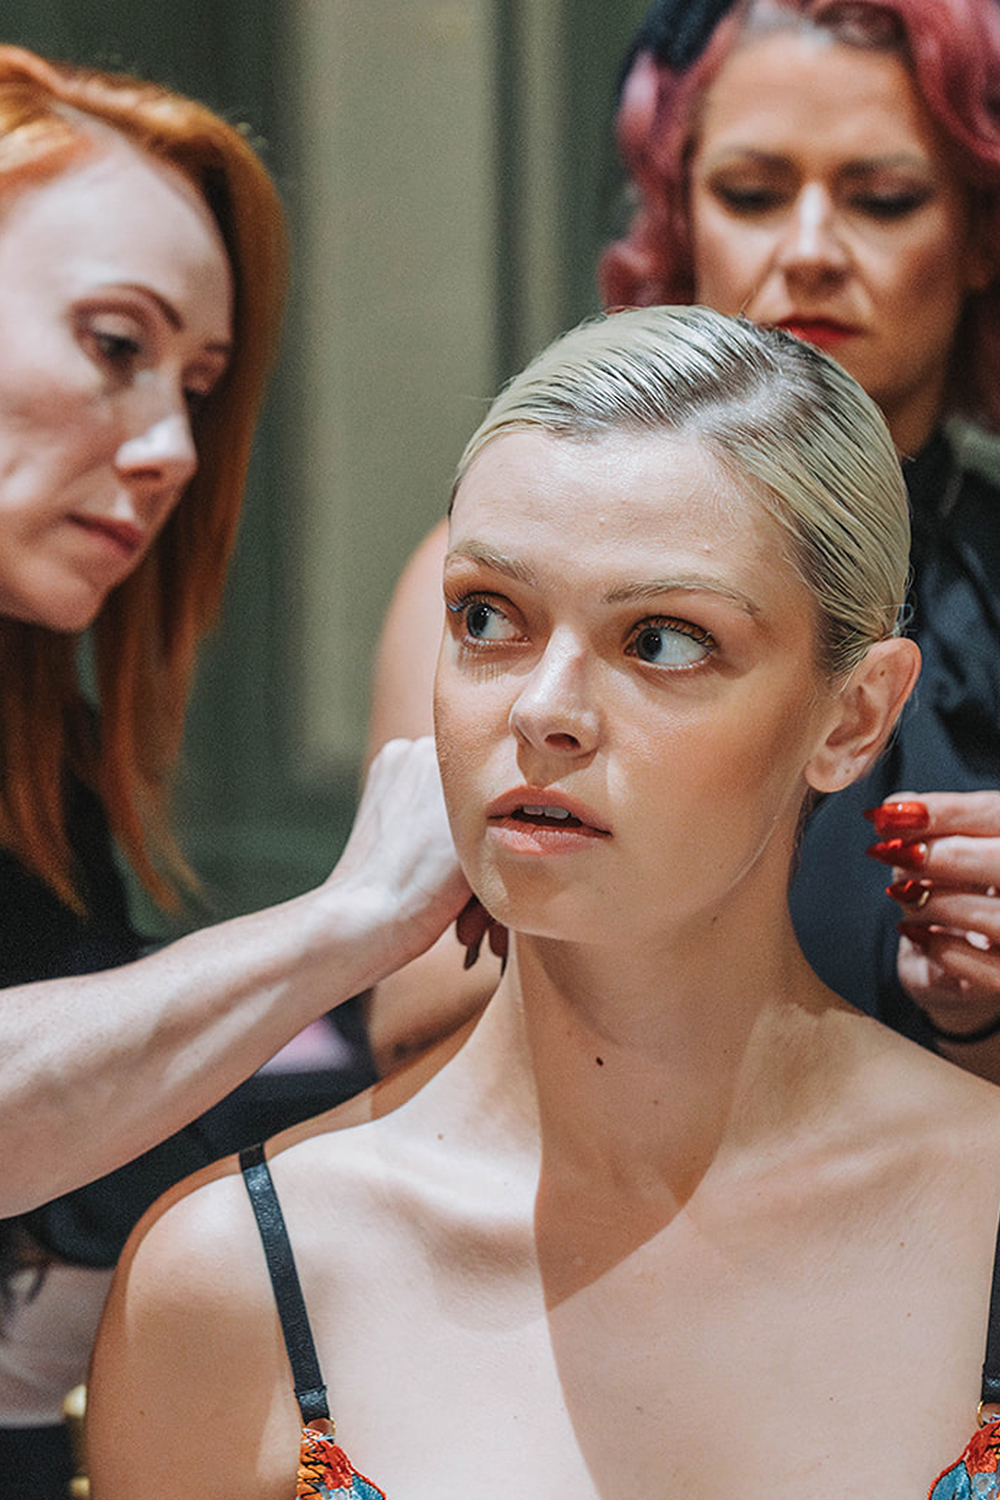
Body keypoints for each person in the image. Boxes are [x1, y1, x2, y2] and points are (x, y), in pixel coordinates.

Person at [90, 304, 1000, 1500]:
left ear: (855, 717)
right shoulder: (240, 1278)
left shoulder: (979, 1204)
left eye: (664, 640)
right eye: (487, 619)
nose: (542, 709)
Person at [0, 45, 476, 1496]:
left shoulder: (44, 751)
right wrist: (345, 928)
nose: (171, 450)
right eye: (115, 344)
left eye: (199, 386)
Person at [366, 0, 1000, 1081]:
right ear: (678, 216)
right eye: (750, 195)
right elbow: (412, 1028)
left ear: (980, 234)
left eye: (883, 200)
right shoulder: (480, 570)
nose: (807, 252)